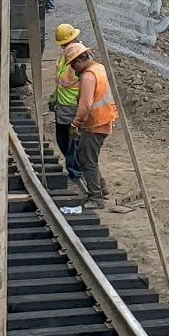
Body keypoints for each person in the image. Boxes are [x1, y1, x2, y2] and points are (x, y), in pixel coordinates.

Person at [67, 42, 117, 208]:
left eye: (73, 65)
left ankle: (96, 198)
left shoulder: (88, 76)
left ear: (79, 61)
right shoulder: (99, 68)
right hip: (104, 119)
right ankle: (101, 188)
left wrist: (76, 123)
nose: (74, 70)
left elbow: (85, 104)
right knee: (90, 157)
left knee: (86, 159)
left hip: (95, 122)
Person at [48, 23, 83, 190]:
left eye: (65, 43)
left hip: (73, 107)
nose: (64, 46)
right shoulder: (64, 56)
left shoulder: (80, 57)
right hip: (62, 106)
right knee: (62, 140)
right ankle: (76, 169)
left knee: (71, 143)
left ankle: (75, 173)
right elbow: (61, 80)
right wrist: (55, 97)